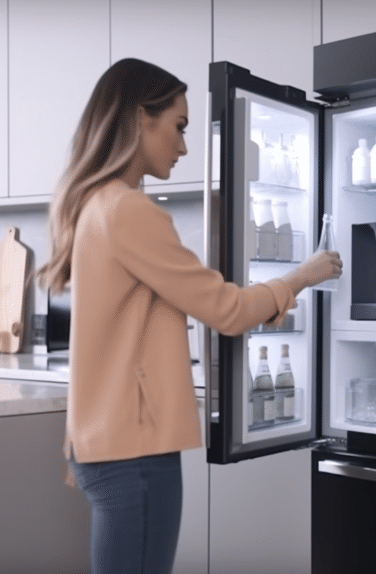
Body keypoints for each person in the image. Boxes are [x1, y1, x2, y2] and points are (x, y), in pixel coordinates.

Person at [35, 58, 341, 574]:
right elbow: (227, 310)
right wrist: (302, 276)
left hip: (106, 444)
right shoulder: (129, 210)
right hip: (135, 455)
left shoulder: (95, 205)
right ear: (139, 118)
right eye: (178, 127)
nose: (182, 146)